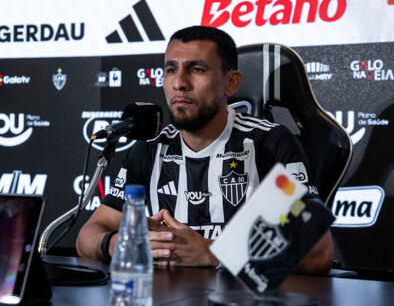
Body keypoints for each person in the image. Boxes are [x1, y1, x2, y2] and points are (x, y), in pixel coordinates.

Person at [76, 25, 333, 274]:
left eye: (196, 69)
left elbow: (319, 251)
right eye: (170, 69)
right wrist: (120, 244)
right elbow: (88, 235)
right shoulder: (149, 151)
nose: (179, 83)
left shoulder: (269, 143)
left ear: (231, 83)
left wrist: (214, 253)